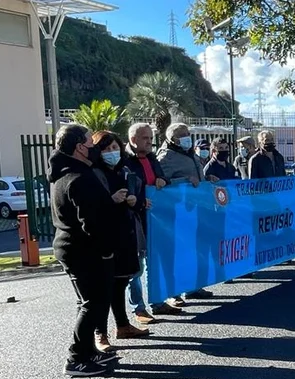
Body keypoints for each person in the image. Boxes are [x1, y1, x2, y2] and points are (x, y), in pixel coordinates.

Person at [48, 124, 119, 377]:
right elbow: (92, 223)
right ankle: (76, 358)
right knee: (94, 303)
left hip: (72, 249)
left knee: (87, 302)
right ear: (79, 147)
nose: (95, 148)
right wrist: (106, 251)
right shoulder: (79, 178)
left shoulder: (63, 174)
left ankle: (88, 351)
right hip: (85, 252)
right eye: (90, 142)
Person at [90, 131, 150, 353]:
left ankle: (123, 326)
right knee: (103, 289)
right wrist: (111, 200)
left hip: (126, 236)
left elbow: (140, 200)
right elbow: (91, 207)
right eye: (106, 149)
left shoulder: (126, 171)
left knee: (120, 283)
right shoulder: (93, 174)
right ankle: (100, 333)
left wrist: (135, 201)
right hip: (105, 238)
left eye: (115, 148)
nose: (111, 153)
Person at [121, 123, 180, 325]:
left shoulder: (152, 158)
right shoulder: (124, 161)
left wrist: (162, 180)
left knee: (156, 263)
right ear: (133, 139)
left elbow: (162, 177)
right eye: (145, 138)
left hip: (155, 219)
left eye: (150, 138)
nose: (149, 141)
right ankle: (138, 308)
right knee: (136, 267)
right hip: (134, 220)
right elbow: (125, 188)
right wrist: (138, 199)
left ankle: (157, 301)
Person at [157, 123, 214, 301]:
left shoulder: (189, 154)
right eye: (183, 135)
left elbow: (198, 177)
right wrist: (185, 180)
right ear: (172, 138)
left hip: (195, 209)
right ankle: (172, 293)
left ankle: (193, 287)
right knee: (176, 253)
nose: (187, 137)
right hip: (177, 211)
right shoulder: (166, 157)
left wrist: (206, 180)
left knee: (194, 250)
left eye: (188, 133)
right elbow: (161, 184)